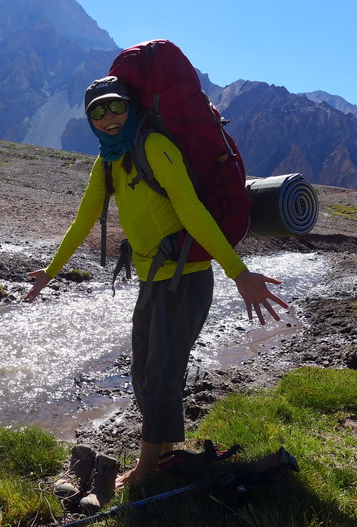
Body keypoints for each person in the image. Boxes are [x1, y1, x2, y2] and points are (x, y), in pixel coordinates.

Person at [24, 76, 289, 487]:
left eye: (116, 107)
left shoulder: (154, 147)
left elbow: (191, 212)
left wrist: (239, 273)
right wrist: (50, 271)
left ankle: (146, 470)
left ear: (132, 108)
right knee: (145, 370)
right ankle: (162, 456)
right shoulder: (109, 159)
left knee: (161, 373)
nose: (109, 117)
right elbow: (84, 219)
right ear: (89, 119)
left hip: (185, 281)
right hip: (154, 281)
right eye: (98, 111)